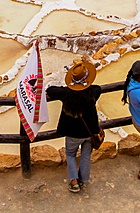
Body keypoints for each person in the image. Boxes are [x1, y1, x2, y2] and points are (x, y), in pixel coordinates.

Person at [47, 59, 102, 193]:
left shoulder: (66, 93)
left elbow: (50, 90)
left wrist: (68, 87)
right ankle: (83, 179)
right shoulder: (92, 93)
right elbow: (98, 88)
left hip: (71, 132)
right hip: (88, 132)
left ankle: (74, 182)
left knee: (70, 154)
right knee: (85, 155)